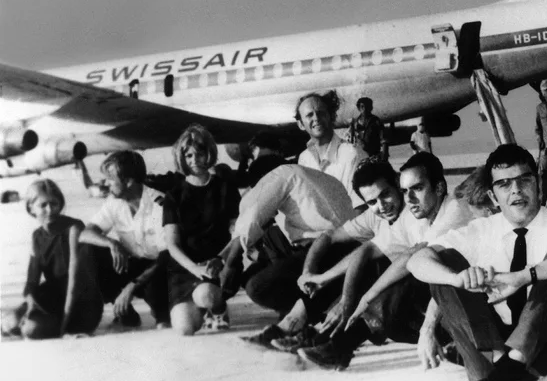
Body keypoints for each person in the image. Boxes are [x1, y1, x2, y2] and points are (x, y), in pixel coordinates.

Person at [408, 144, 547, 381]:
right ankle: (512, 375)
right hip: (496, 350)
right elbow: (417, 261)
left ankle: (502, 378)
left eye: (524, 180)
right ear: (492, 194)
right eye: (504, 184)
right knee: (444, 267)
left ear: (537, 184)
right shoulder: (481, 230)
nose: (516, 191)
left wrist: (523, 277)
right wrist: (458, 279)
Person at [292, 154, 474, 370]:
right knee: (380, 278)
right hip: (446, 293)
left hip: (474, 296)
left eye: (417, 188)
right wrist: (344, 297)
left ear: (439, 187)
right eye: (406, 191)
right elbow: (367, 249)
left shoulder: (453, 211)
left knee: (402, 278)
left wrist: (366, 299)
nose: (410, 198)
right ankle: (331, 337)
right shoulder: (415, 213)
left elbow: (411, 258)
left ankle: (339, 343)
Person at [234, 157, 360, 348]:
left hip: (338, 247)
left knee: (257, 285)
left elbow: (250, 221)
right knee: (257, 269)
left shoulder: (282, 178)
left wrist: (231, 260)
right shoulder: (306, 179)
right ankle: (298, 319)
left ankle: (295, 322)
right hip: (336, 245)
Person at [162, 124, 240, 335]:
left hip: (218, 264)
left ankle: (218, 308)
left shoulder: (226, 189)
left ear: (209, 153)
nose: (194, 160)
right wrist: (194, 269)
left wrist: (221, 259)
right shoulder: (174, 196)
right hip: (185, 269)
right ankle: (200, 310)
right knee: (184, 329)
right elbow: (172, 245)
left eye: (200, 153)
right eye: (188, 155)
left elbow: (238, 235)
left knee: (206, 294)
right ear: (182, 158)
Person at [79, 150, 171, 328]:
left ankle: (161, 314)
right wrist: (111, 243)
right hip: (132, 264)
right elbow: (85, 233)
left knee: (163, 321)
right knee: (88, 251)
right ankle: (123, 310)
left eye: (110, 179)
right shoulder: (115, 202)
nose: (106, 184)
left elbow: (165, 257)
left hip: (157, 269)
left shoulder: (159, 204)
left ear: (128, 181)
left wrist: (131, 287)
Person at [1, 180, 102, 339]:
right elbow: (32, 281)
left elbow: (75, 284)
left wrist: (64, 327)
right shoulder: (37, 236)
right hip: (53, 297)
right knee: (10, 322)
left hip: (81, 302)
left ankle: (51, 324)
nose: (50, 210)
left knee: (30, 330)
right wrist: (31, 304)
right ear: (31, 208)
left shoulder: (74, 228)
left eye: (54, 204)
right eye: (43, 205)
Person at [295, 91, 368, 204]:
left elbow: (361, 208)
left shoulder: (352, 154)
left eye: (321, 113)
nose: (316, 118)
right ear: (300, 124)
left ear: (331, 116)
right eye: (309, 115)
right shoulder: (304, 158)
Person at [348, 96, 389, 161]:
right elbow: (350, 141)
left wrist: (384, 156)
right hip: (359, 158)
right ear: (358, 108)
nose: (364, 109)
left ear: (371, 108)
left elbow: (384, 141)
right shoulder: (354, 123)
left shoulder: (376, 122)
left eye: (367, 106)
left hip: (374, 157)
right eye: (362, 106)